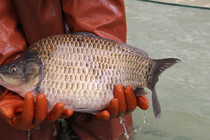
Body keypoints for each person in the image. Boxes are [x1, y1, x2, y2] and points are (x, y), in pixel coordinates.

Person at [0, 0, 149, 139]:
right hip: (20, 23)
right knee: (26, 126)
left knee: (108, 129)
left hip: (81, 55)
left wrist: (102, 54)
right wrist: (6, 59)